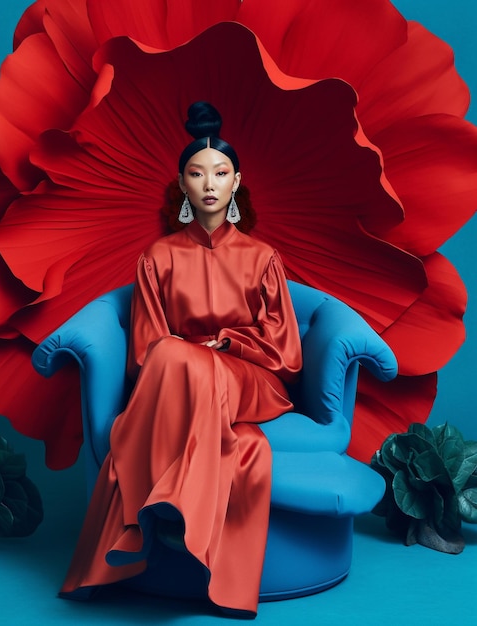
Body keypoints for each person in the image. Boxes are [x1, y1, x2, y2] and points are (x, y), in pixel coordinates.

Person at [59, 101, 302, 618]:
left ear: (237, 182)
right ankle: (179, 506)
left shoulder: (264, 259)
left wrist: (231, 344)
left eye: (220, 173)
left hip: (251, 377)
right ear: (182, 185)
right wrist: (195, 356)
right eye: (197, 174)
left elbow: (285, 351)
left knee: (179, 358)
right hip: (179, 378)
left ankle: (144, 512)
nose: (209, 184)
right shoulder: (158, 256)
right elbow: (147, 349)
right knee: (179, 362)